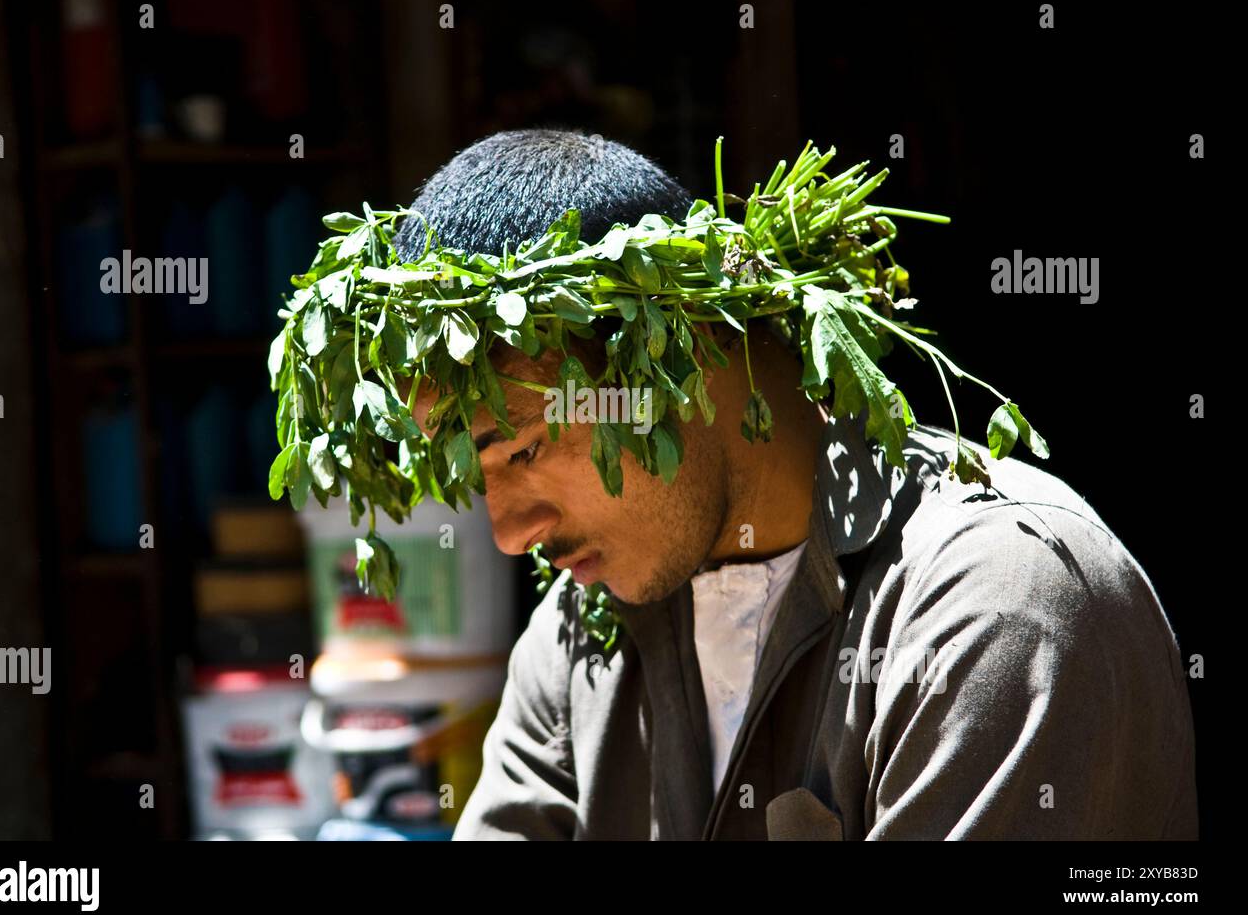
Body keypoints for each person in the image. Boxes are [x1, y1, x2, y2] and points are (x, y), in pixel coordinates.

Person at [398, 128, 1198, 840]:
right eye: (477, 475)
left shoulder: (995, 602)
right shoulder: (582, 639)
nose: (507, 533)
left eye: (523, 451)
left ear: (677, 348)